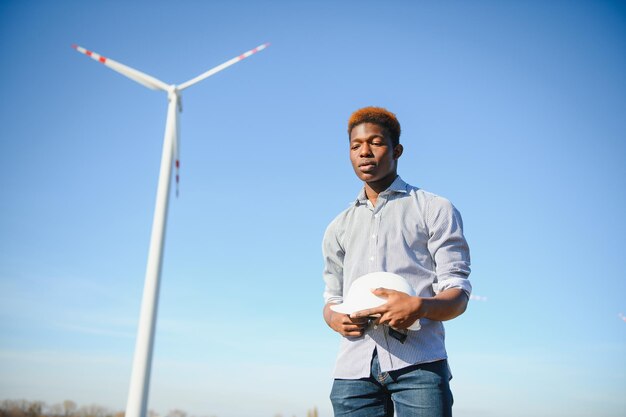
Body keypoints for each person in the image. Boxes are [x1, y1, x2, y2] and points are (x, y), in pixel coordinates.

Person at [322, 106, 472, 417]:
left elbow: (458, 292)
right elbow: (332, 298)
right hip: (353, 374)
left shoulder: (434, 209)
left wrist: (420, 306)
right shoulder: (338, 226)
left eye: (375, 142)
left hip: (419, 366)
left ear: (397, 150)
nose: (365, 152)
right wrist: (333, 317)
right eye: (355, 146)